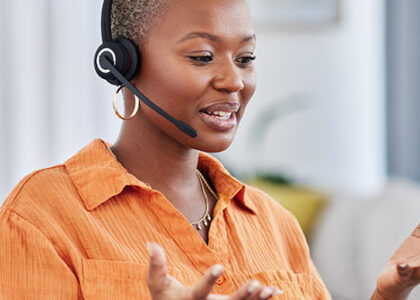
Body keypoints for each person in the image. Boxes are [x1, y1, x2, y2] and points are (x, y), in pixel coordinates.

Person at [0, 0, 418, 299]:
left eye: (246, 57)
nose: (234, 80)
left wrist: (387, 295)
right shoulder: (41, 215)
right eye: (202, 56)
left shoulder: (274, 224)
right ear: (121, 65)